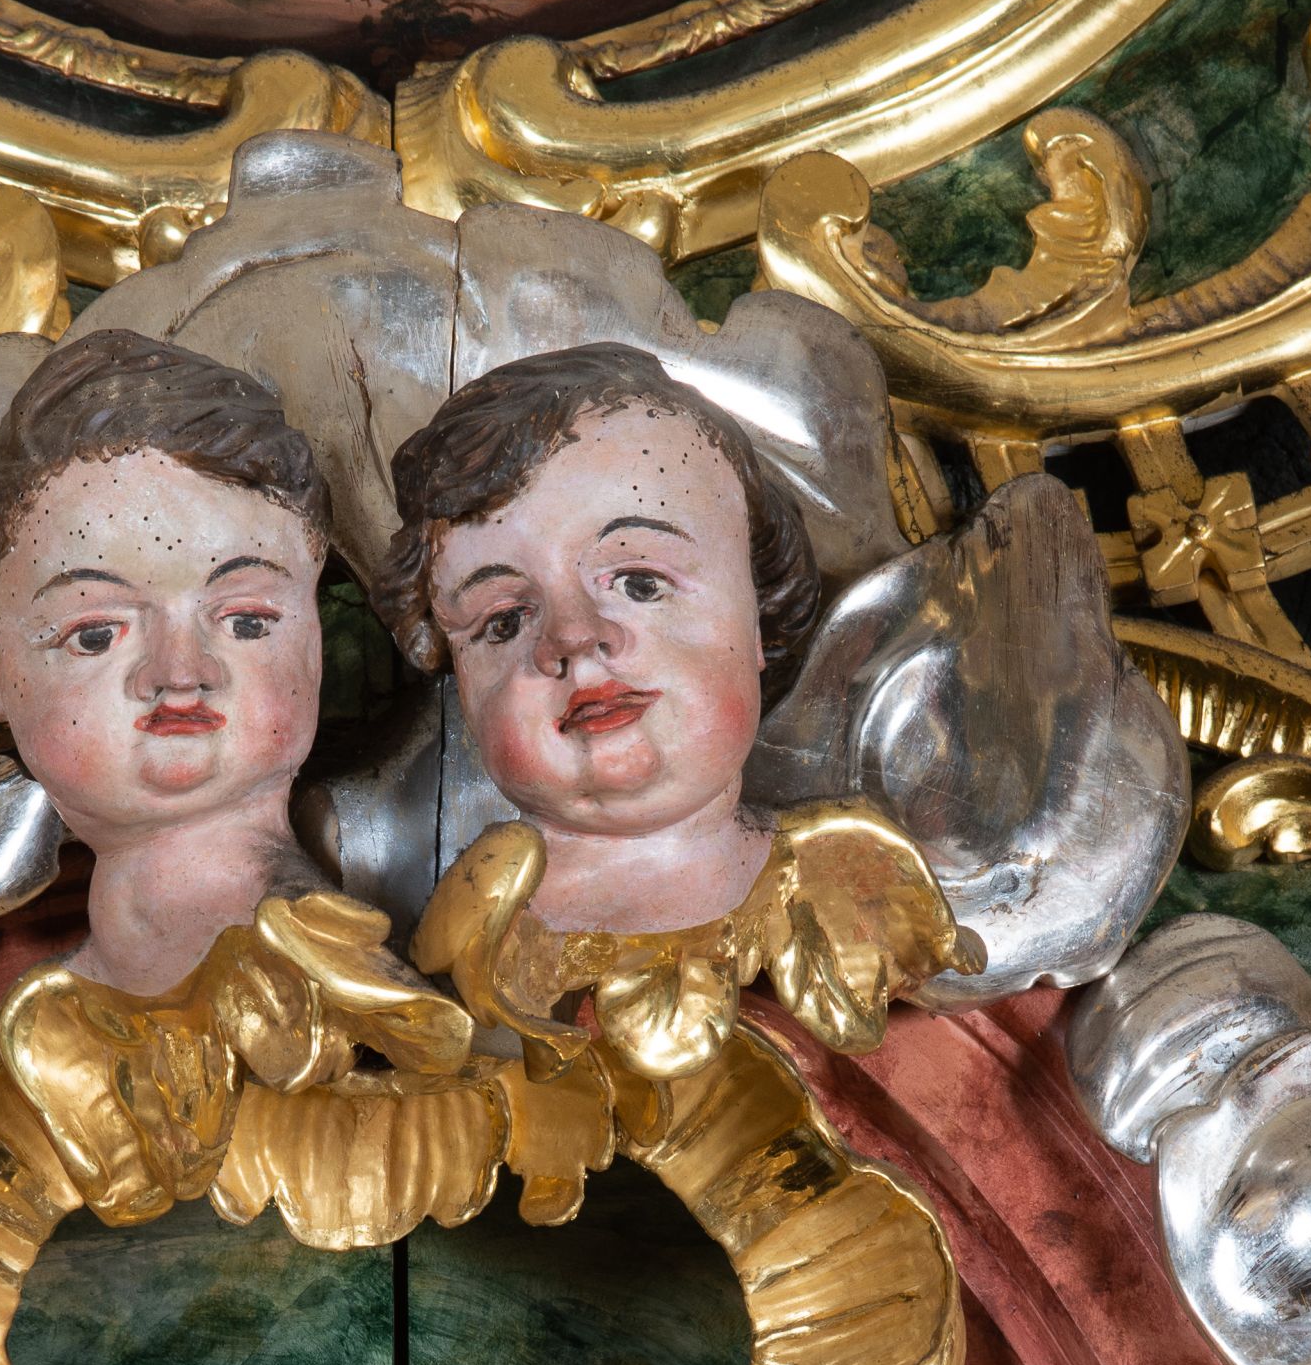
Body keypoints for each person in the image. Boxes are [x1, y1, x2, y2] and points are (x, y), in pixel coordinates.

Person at [0, 328, 467, 1216]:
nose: (181, 672)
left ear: (318, 644)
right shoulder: (38, 1032)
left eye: (246, 621)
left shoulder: (349, 994)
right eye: (96, 633)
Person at [389, 343, 977, 1079]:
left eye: (640, 583)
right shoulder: (480, 920)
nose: (573, 637)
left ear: (757, 616)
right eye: (504, 620)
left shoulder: (848, 883)